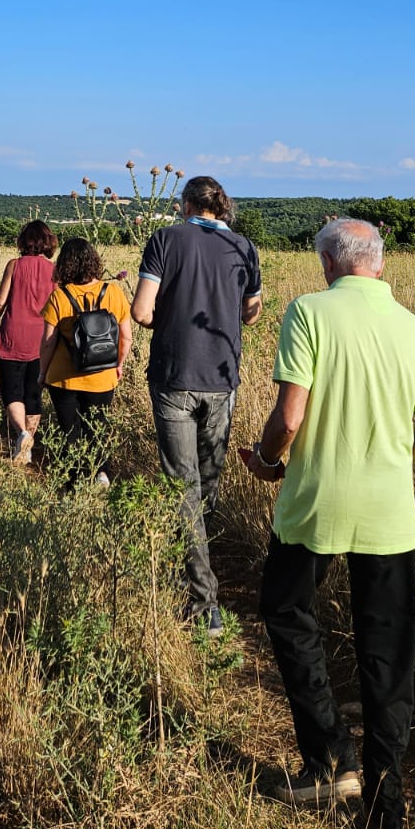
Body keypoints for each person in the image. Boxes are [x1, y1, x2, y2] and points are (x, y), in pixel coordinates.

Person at [245, 218, 415, 829]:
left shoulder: (308, 313)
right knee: (387, 661)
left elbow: (289, 416)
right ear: (380, 266)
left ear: (327, 265)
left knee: (285, 611)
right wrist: (390, 452)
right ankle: (388, 817)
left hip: (314, 508)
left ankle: (330, 759)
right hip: (390, 517)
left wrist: (268, 458)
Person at [131, 175, 262, 635]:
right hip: (222, 378)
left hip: (174, 375)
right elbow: (251, 311)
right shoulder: (245, 248)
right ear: (220, 208)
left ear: (186, 205)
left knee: (181, 486)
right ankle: (200, 572)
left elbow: (142, 312)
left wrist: (171, 316)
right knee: (207, 484)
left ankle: (203, 602)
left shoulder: (165, 240)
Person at [39, 236, 132, 487]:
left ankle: (73, 482)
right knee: (97, 428)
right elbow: (127, 337)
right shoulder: (113, 291)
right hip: (103, 376)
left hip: (63, 378)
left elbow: (48, 342)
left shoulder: (59, 297)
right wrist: (118, 364)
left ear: (65, 264)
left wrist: (41, 373)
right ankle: (101, 473)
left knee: (70, 432)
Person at [0, 219, 58, 464]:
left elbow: (0, 300)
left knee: (12, 390)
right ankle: (26, 450)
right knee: (33, 393)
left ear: (23, 241)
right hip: (43, 339)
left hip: (12, 335)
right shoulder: (55, 270)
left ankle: (22, 434)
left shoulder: (14, 265)